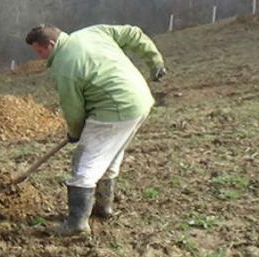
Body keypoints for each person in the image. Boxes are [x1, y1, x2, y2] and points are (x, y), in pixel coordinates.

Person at [25, 24, 166, 236]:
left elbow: (73, 110)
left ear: (51, 44)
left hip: (113, 110)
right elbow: (133, 34)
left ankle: (76, 225)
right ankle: (103, 208)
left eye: (40, 51)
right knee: (110, 155)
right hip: (140, 102)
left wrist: (75, 132)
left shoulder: (64, 67)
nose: (40, 57)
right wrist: (154, 61)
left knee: (84, 164)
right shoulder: (92, 32)